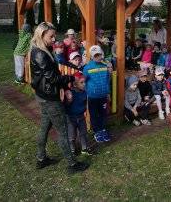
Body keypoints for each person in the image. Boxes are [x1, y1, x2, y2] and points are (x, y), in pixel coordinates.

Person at [30, 22, 89, 174]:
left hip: (43, 95)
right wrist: (70, 79)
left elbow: (51, 76)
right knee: (62, 130)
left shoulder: (43, 49)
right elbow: (53, 78)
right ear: (41, 35)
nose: (54, 38)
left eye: (54, 35)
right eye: (51, 36)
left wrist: (63, 87)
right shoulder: (40, 53)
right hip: (49, 98)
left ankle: (41, 158)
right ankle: (72, 164)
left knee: (44, 127)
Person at [83, 45, 111, 143]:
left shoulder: (105, 67)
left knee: (103, 114)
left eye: (99, 55)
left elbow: (107, 81)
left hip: (103, 96)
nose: (98, 57)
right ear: (91, 56)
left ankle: (103, 130)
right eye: (95, 55)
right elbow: (83, 81)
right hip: (93, 97)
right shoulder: (87, 68)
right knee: (94, 115)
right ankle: (97, 131)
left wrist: (108, 93)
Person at [64, 72, 94, 156]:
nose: (84, 84)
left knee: (83, 133)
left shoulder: (84, 92)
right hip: (71, 117)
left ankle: (84, 148)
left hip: (81, 116)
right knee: (71, 135)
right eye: (81, 82)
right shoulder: (70, 93)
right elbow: (65, 105)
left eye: (84, 82)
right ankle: (72, 149)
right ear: (75, 84)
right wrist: (69, 101)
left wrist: (84, 110)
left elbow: (84, 103)